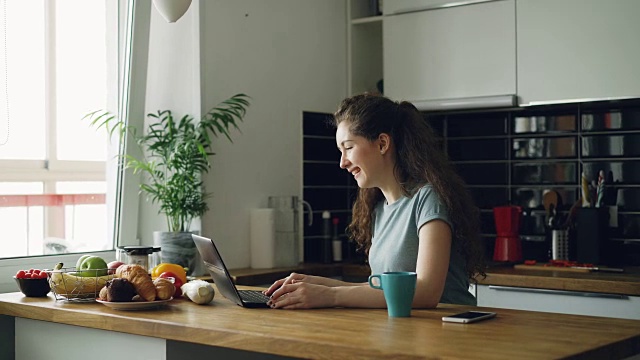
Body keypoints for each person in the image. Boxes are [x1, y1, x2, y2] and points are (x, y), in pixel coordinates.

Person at [264, 93, 486, 309]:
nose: (342, 163)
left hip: (450, 333)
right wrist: (314, 284)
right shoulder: (379, 209)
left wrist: (331, 295)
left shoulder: (428, 199)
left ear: (382, 143)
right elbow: (384, 291)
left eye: (349, 148)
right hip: (407, 332)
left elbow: (425, 293)